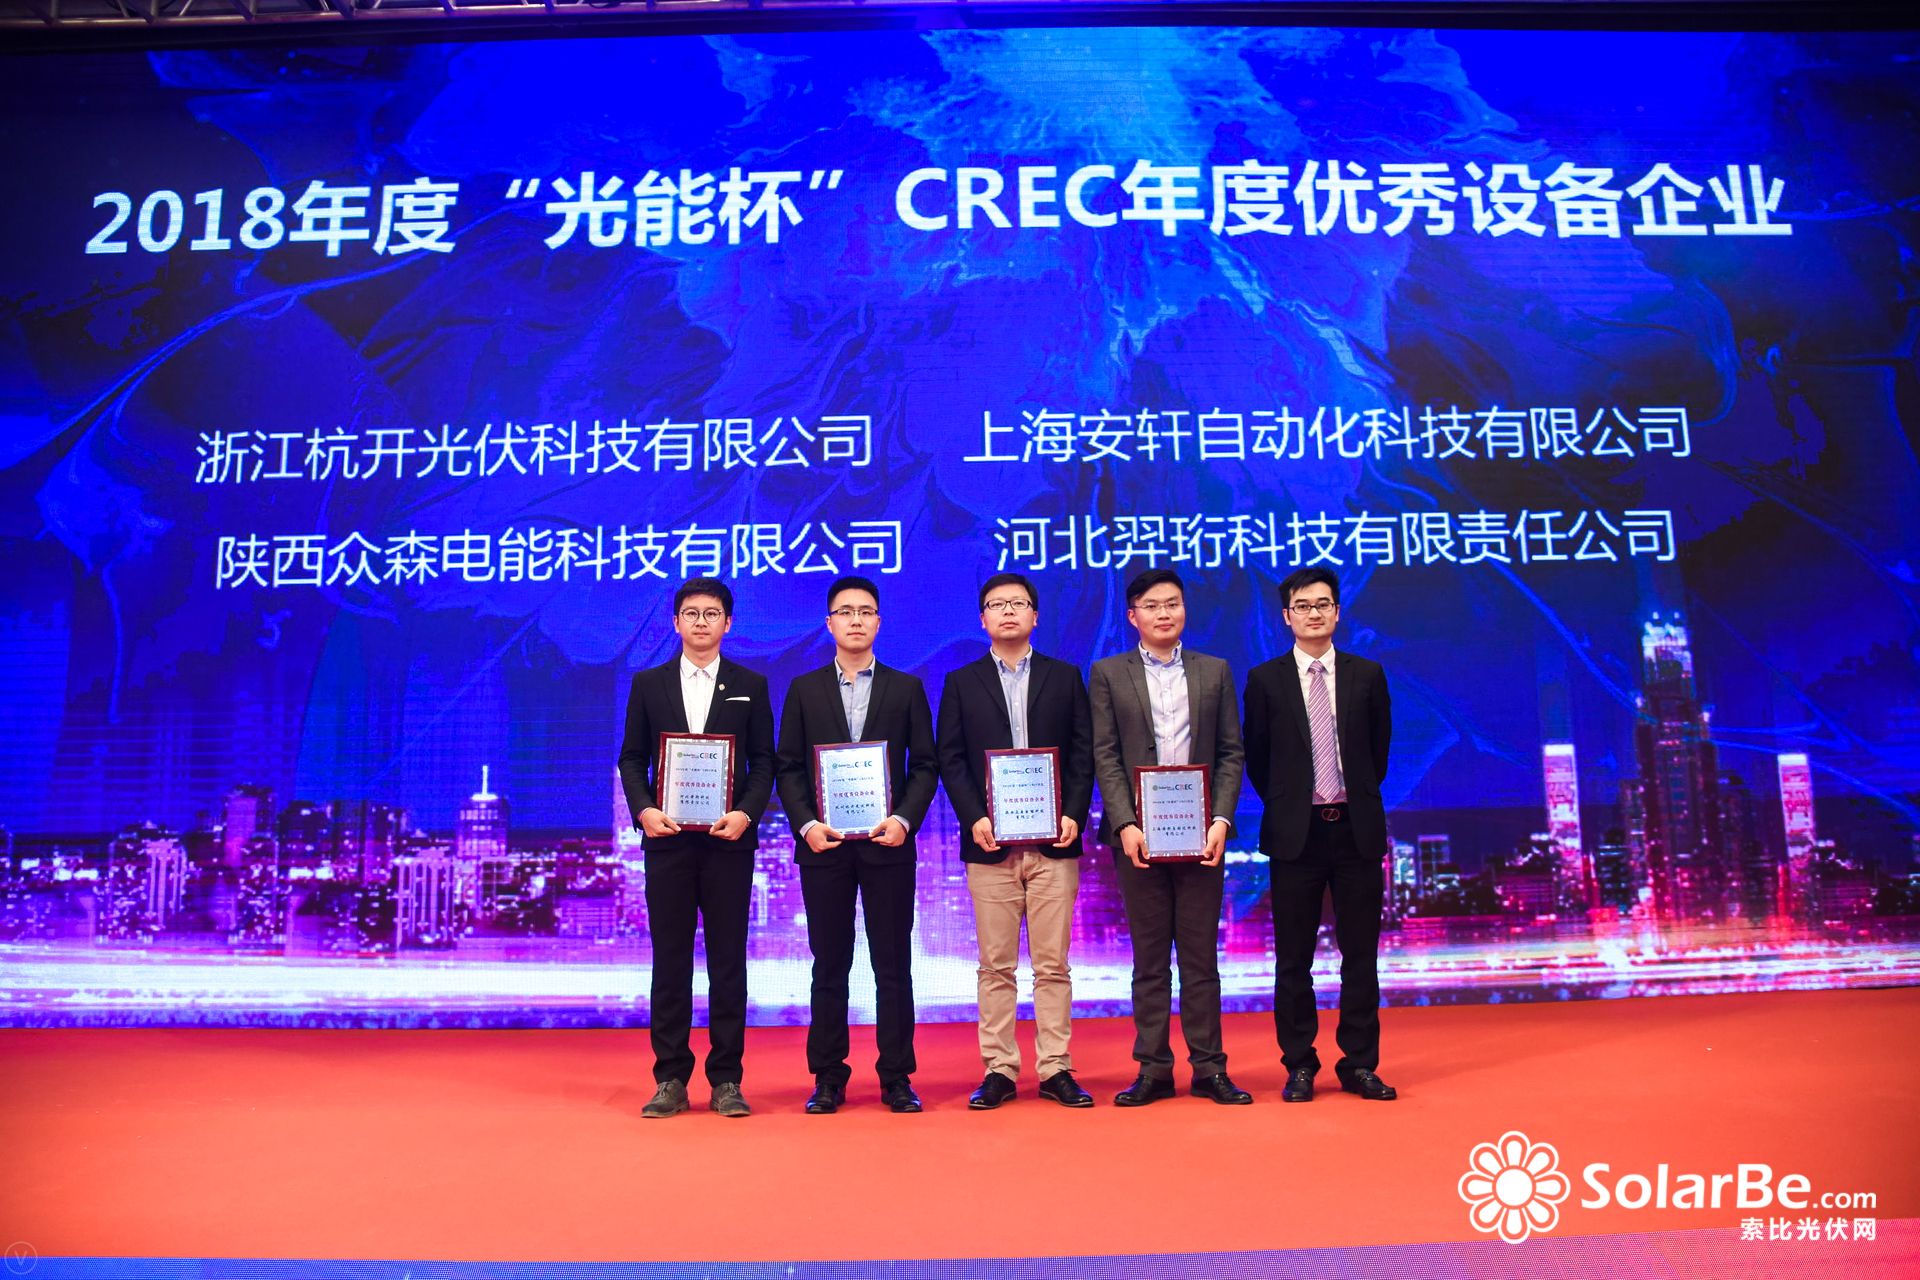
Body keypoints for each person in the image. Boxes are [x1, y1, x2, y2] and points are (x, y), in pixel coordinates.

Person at [775, 575, 938, 1114]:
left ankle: (897, 1076)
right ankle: (828, 1076)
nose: (856, 620)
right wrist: (806, 824)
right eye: (845, 612)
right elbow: (788, 767)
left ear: (878, 622)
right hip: (823, 847)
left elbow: (926, 765)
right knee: (829, 964)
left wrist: (904, 820)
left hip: (888, 845)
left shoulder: (906, 688)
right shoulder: (804, 690)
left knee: (893, 965)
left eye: (865, 611)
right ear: (829, 624)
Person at [616, 577, 777, 1119]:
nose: (701, 621)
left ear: (728, 623)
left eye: (712, 613)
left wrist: (745, 813)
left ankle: (727, 1079)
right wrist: (644, 810)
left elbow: (764, 762)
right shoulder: (649, 684)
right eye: (691, 612)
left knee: (728, 963)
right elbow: (631, 758)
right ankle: (670, 1079)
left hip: (728, 843)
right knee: (671, 962)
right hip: (667, 842)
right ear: (676, 622)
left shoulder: (751, 684)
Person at [1088, 569, 1250, 1107]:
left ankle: (1210, 1068)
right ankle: (1153, 1069)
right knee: (1150, 961)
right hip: (1139, 839)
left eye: (1173, 603)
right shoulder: (1108, 674)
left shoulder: (1214, 671)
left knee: (1201, 960)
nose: (1164, 613)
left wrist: (1221, 820)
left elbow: (1230, 753)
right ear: (1132, 615)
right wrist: (1125, 824)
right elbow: (1106, 755)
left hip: (1203, 837)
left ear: (1184, 610)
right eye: (1152, 605)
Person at [936, 572, 1096, 1110]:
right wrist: (974, 817)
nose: (1008, 611)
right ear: (982, 618)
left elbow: (1083, 752)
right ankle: (999, 1069)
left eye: (1018, 603)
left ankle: (1056, 1068)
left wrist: (1073, 813)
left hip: (1055, 843)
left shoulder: (1064, 677)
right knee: (995, 966)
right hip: (990, 845)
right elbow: (950, 758)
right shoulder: (961, 682)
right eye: (996, 604)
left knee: (1053, 965)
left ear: (1035, 615)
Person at [1243, 567, 1397, 1102]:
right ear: (1287, 616)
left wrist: (1346, 796)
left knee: (1360, 957)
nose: (1314, 613)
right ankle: (1299, 1064)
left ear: (1337, 611)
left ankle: (1360, 1064)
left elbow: (1377, 755)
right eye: (1303, 606)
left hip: (1355, 830)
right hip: (1297, 836)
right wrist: (1294, 804)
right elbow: (1259, 760)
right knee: (1294, 960)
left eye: (1323, 604)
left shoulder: (1367, 675)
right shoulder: (1265, 680)